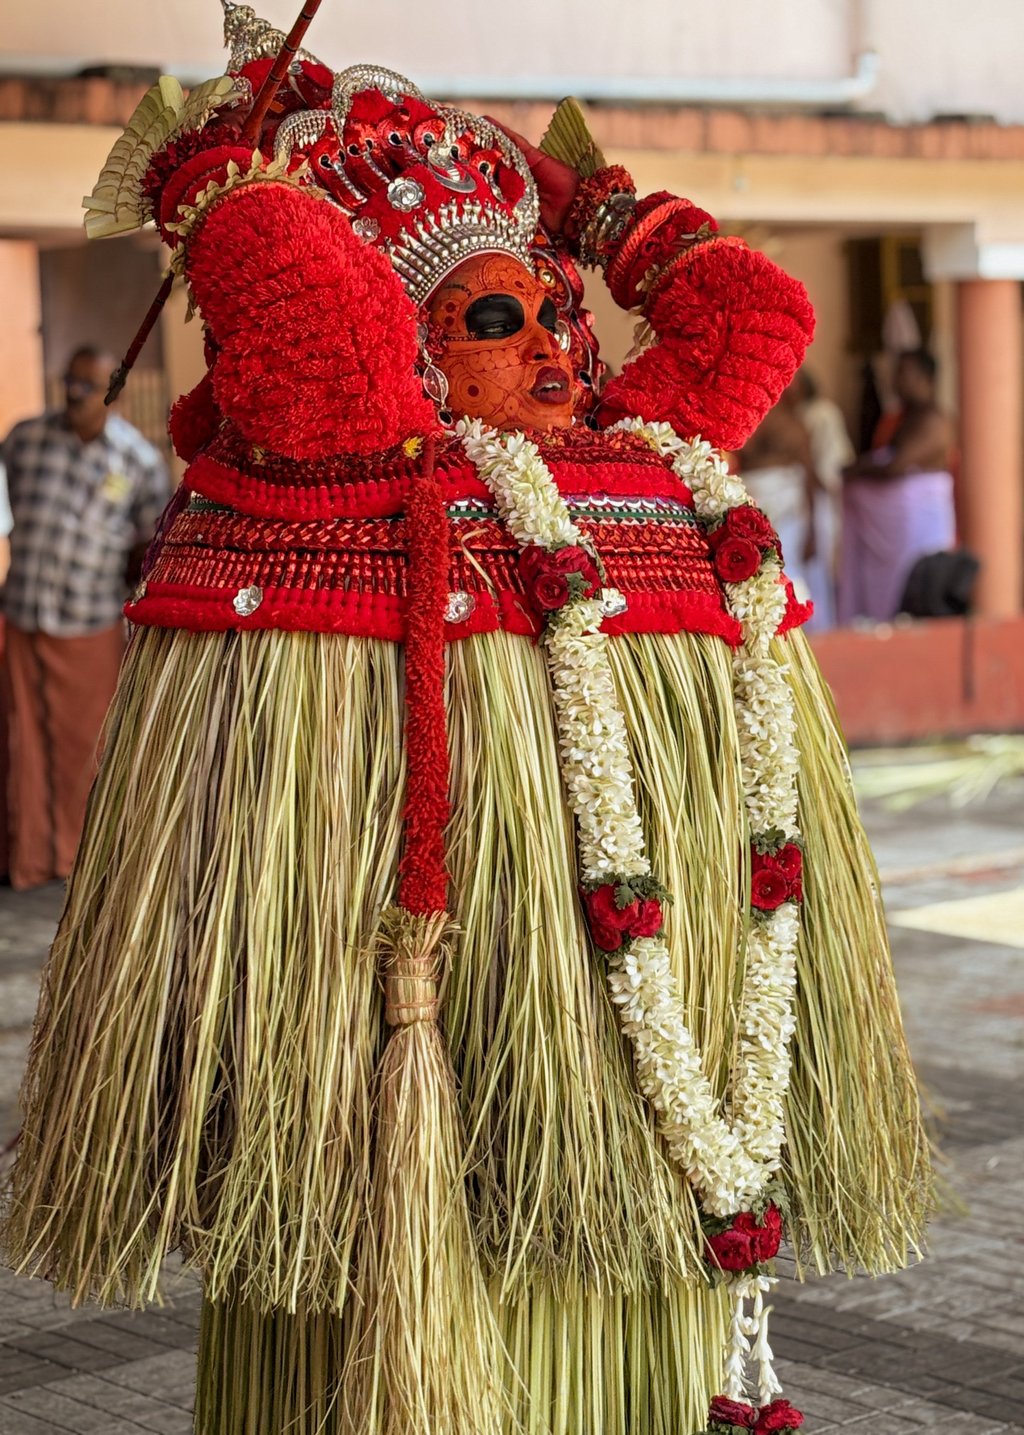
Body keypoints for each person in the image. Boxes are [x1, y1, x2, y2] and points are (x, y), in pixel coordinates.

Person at [3, 12, 933, 1435]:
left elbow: (757, 314)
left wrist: (590, 210)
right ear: (415, 357)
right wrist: (214, 161)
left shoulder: (643, 449)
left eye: (564, 315)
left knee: (613, 1295)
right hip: (421, 998)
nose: (563, 349)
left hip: (636, 1046)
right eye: (498, 320)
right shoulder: (350, 443)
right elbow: (321, 307)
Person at [0, 347, 170, 889]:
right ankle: (28, 859)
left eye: (86, 385)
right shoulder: (25, 440)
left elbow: (149, 545)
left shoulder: (137, 461)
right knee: (21, 745)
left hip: (89, 621)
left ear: (111, 392)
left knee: (84, 748)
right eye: (68, 383)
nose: (73, 394)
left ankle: (79, 860)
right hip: (25, 613)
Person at [838, 347, 956, 625]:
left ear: (924, 378)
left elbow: (895, 466)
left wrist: (855, 469)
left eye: (903, 373)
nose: (895, 381)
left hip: (916, 522)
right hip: (894, 527)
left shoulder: (933, 420)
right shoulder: (904, 417)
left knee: (914, 588)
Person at [737, 380, 819, 605]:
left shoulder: (795, 426)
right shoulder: (752, 418)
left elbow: (810, 476)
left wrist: (813, 530)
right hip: (754, 500)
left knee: (787, 565)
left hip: (788, 504)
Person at [795, 368, 855, 630]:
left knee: (815, 573)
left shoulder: (822, 413)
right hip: (792, 500)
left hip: (815, 499)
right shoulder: (790, 415)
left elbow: (831, 466)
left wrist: (814, 484)